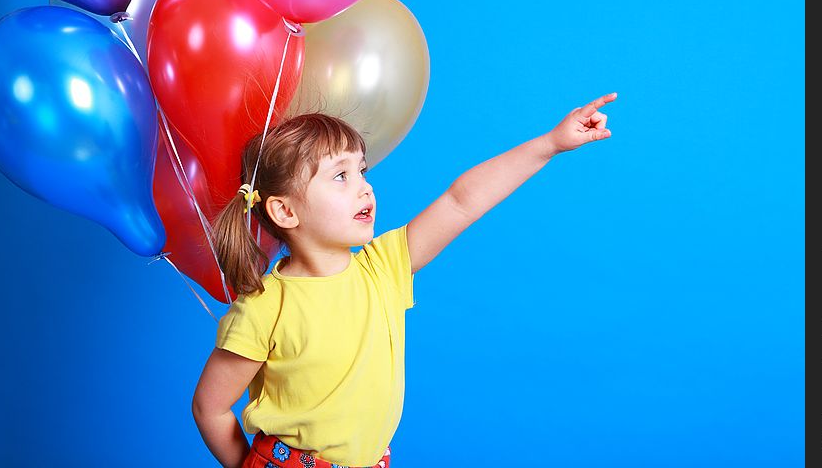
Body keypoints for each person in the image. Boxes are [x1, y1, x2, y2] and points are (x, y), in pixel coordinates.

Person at [192, 92, 618, 468]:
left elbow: (461, 202)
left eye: (363, 171)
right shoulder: (266, 307)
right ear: (286, 212)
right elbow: (210, 407)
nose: (365, 189)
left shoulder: (384, 267)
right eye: (341, 176)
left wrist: (550, 144)